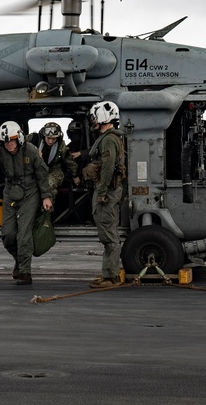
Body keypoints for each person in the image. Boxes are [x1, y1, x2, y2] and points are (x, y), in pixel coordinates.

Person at [0, 121, 53, 285]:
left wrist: (46, 196)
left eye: (12, 141)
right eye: (6, 142)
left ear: (19, 138)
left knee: (24, 235)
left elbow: (42, 174)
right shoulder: (0, 152)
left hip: (30, 193)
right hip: (11, 193)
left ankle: (25, 272)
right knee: (8, 234)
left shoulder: (31, 150)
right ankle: (19, 261)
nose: (9, 145)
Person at [84, 101, 127, 289]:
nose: (93, 120)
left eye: (95, 116)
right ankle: (108, 273)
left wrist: (101, 192)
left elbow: (108, 168)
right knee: (108, 234)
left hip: (107, 192)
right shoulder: (107, 137)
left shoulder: (109, 139)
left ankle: (111, 277)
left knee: (109, 235)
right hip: (107, 191)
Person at [29, 122, 80, 206]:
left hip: (54, 169)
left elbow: (69, 161)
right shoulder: (33, 139)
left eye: (53, 139)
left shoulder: (61, 146)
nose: (50, 141)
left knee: (49, 184)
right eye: (48, 138)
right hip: (35, 169)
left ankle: (46, 212)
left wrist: (75, 175)